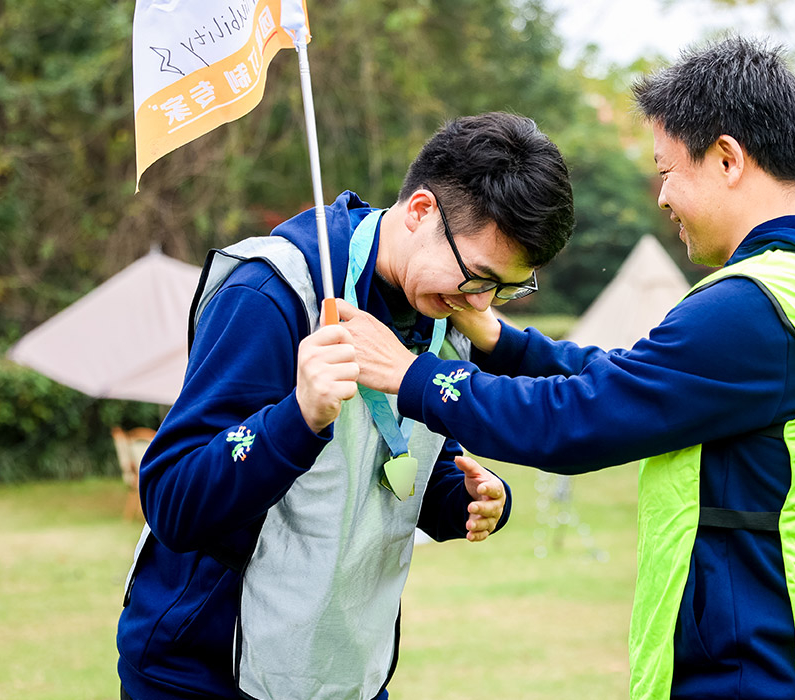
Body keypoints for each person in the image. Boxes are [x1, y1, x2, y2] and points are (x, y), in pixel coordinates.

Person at [339, 37, 795, 700]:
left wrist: (410, 375)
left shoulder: (755, 308)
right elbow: (641, 381)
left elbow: (576, 421)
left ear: (727, 159)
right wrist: (505, 344)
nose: (662, 196)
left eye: (667, 170)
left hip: (742, 675)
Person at [116, 112, 576, 700]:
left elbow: (400, 467)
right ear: (421, 211)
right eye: (479, 277)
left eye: (507, 288)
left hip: (341, 673)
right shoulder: (270, 291)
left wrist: (462, 498)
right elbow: (172, 501)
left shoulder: (447, 309)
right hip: (202, 673)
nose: (483, 305)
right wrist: (298, 418)